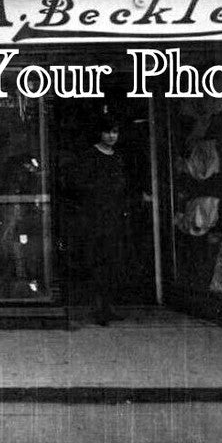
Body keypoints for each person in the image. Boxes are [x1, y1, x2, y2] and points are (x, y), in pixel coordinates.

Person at [71, 117, 129, 325]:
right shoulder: (90, 156)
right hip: (95, 217)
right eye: (107, 132)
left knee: (113, 261)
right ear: (99, 133)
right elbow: (79, 184)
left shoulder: (118, 157)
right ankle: (98, 308)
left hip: (113, 216)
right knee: (98, 262)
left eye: (115, 132)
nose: (112, 136)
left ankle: (108, 306)